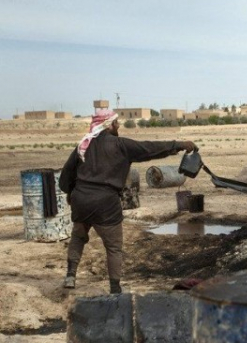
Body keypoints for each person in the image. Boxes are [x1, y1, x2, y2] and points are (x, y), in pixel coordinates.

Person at [58, 109, 198, 294]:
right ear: (109, 125)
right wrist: (179, 145)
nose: (119, 125)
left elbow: (65, 176)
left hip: (81, 200)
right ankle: (115, 288)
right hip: (106, 203)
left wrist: (71, 193)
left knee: (78, 236)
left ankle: (70, 276)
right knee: (114, 247)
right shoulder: (121, 145)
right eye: (116, 122)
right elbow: (150, 149)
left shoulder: (83, 145)